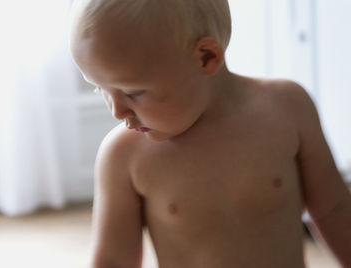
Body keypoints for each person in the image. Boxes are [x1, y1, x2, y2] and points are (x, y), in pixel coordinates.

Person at [69, 0, 351, 267]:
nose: (117, 111)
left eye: (133, 93)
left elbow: (334, 209)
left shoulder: (288, 109)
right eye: (100, 89)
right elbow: (113, 262)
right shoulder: (124, 155)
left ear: (206, 57)